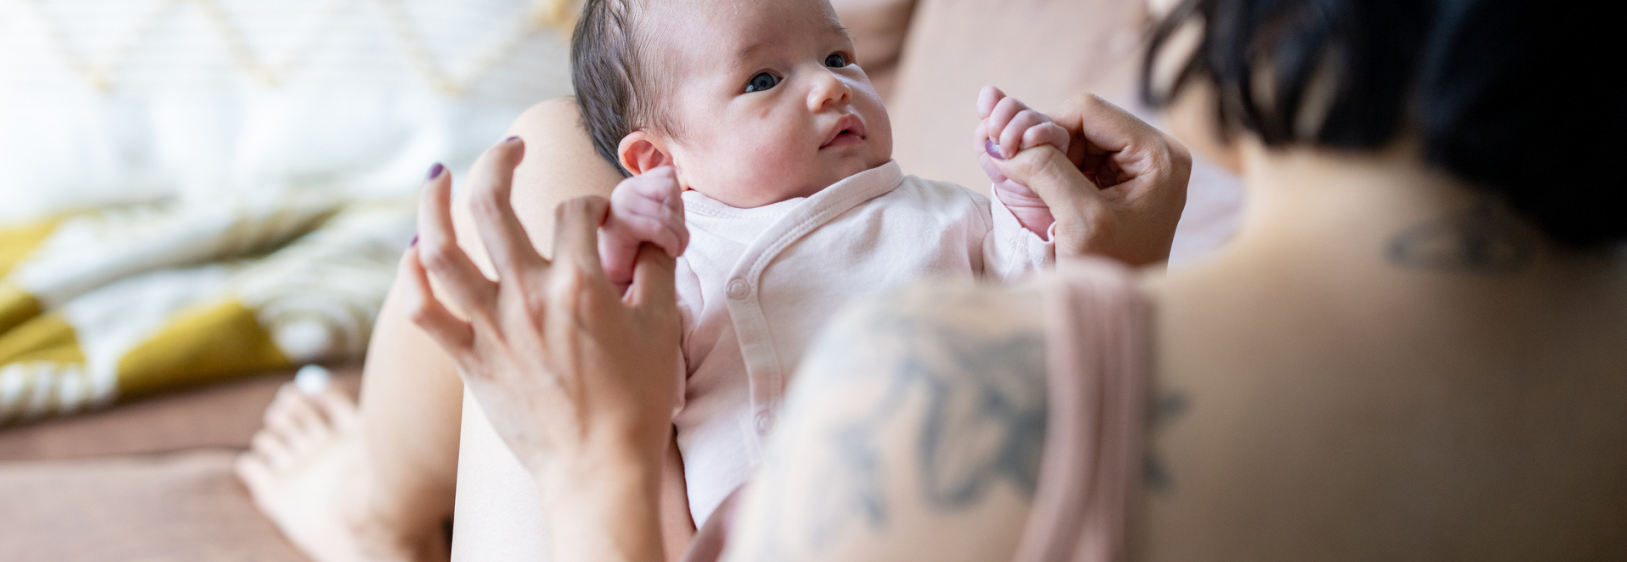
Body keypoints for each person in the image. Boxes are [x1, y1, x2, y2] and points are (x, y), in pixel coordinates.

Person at [394, 0, 1627, 560]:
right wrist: (1106, 292)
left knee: (543, 164)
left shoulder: (931, 406)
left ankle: (362, 512)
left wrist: (594, 457)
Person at [577, 0, 1105, 527]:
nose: (832, 87)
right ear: (662, 162)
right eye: (763, 80)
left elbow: (1042, 314)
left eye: (835, 57)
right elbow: (634, 395)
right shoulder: (686, 256)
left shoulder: (948, 212)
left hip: (962, 505)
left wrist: (1030, 197)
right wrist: (622, 269)